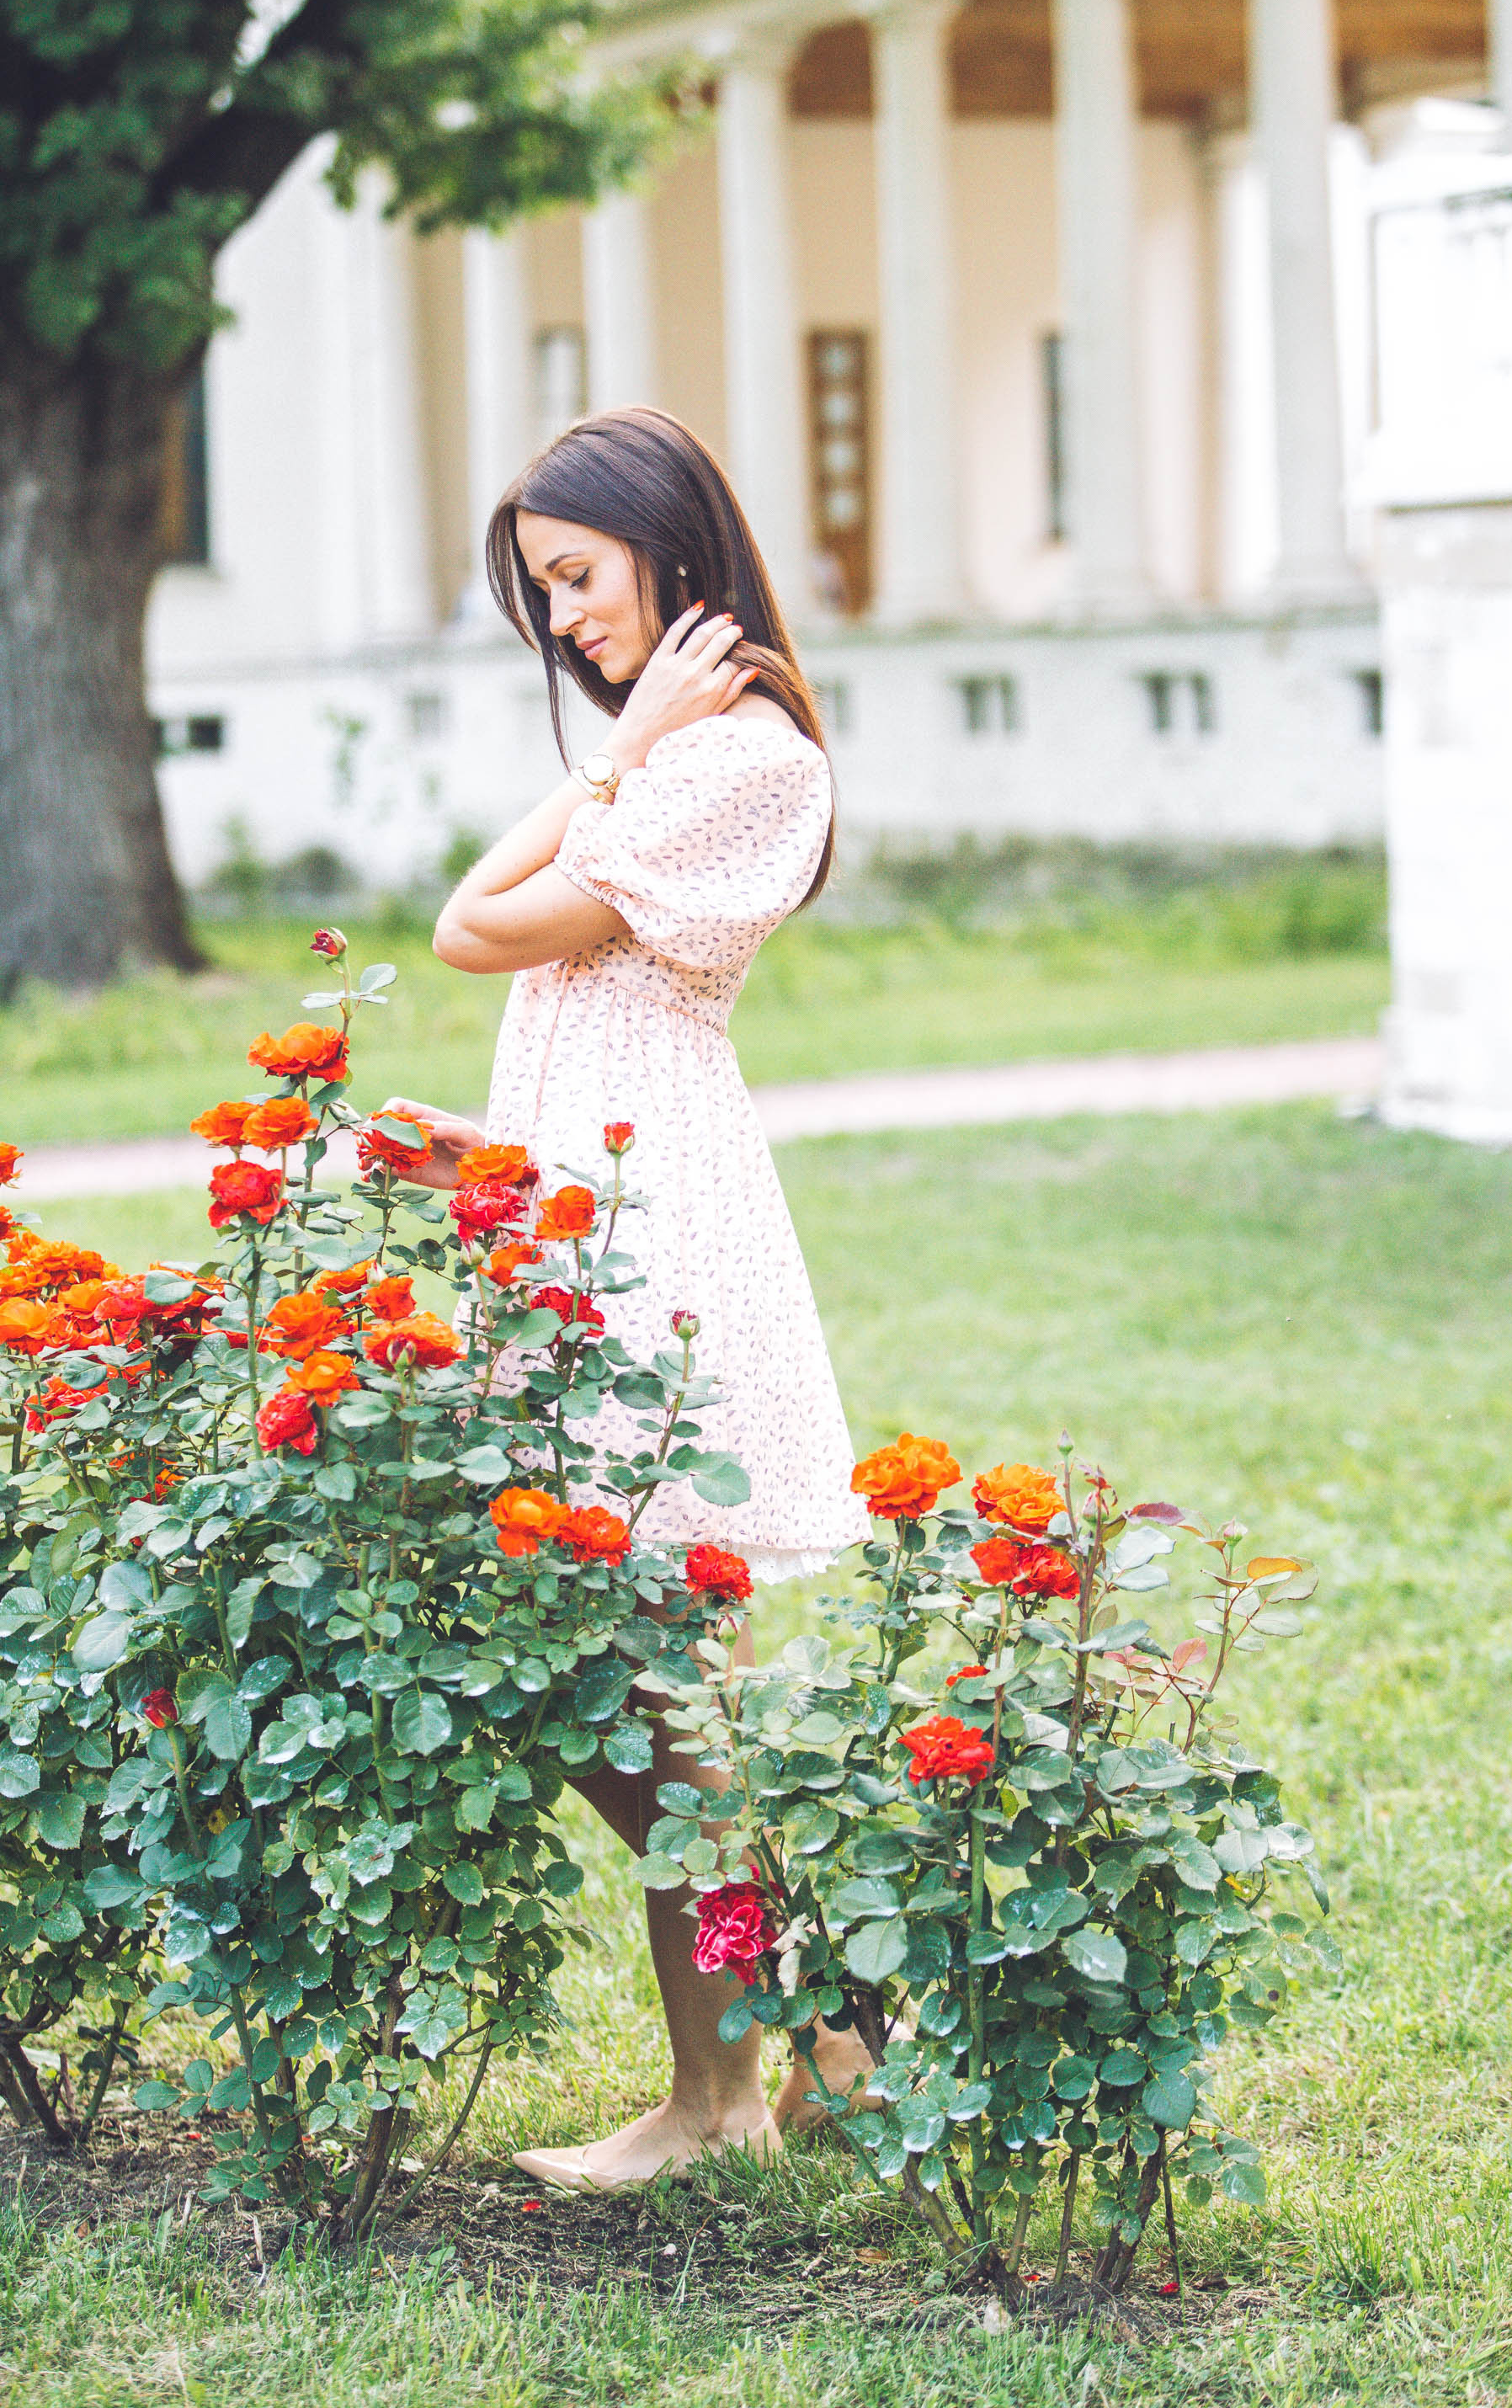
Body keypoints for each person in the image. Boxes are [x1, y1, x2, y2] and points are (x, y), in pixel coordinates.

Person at [382, 406, 872, 2192]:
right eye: (540, 594)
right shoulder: (664, 761)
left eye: (577, 578)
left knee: (640, 1693)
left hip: (658, 1250)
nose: (565, 621)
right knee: (617, 1694)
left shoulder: (743, 763)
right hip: (585, 1219)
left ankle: (741, 2074)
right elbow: (535, 962)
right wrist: (490, 1160)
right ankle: (794, 2031)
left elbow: (471, 924)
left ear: (670, 548)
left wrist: (632, 746)